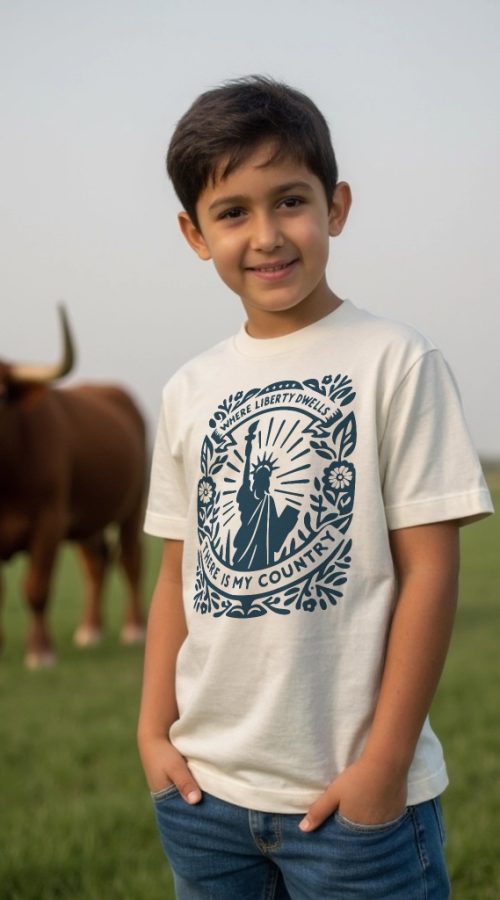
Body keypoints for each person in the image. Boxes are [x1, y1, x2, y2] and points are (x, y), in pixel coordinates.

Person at [137, 76, 493, 899]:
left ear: (336, 206)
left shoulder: (397, 361)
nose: (266, 236)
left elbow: (430, 575)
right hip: (202, 796)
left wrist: (384, 768)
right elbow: (173, 577)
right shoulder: (190, 390)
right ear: (195, 233)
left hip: (353, 806)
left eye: (290, 201)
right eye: (233, 213)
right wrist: (153, 736)